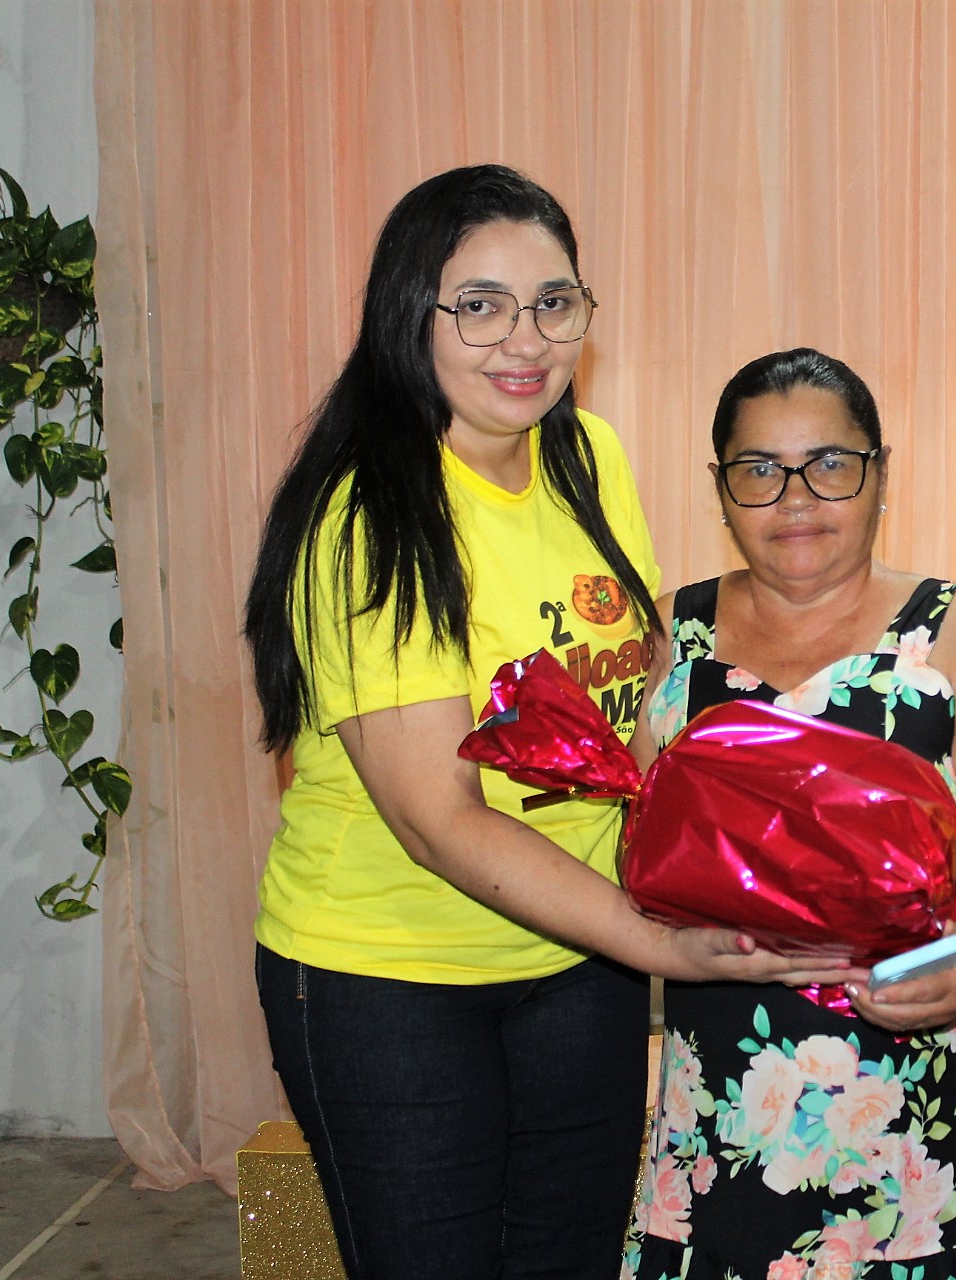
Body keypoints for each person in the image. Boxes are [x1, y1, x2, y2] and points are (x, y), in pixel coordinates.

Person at [242, 166, 832, 1280]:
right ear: (407, 313)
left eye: (555, 302)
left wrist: (744, 851)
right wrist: (659, 941)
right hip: (391, 979)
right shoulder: (374, 511)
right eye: (480, 304)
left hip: (579, 962)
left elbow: (643, 698)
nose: (526, 339)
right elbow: (437, 820)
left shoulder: (587, 454)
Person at [623, 348, 956, 1280]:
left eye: (831, 464)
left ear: (880, 473)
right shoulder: (676, 633)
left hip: (917, 1102)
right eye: (760, 471)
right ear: (721, 487)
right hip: (720, 1112)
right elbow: (632, 846)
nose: (797, 499)